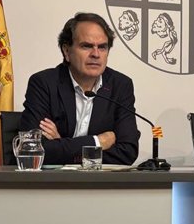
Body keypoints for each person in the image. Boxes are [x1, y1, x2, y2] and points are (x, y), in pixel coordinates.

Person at [20, 12, 140, 165]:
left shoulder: (120, 86)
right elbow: (35, 149)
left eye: (102, 47)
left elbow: (127, 153)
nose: (96, 54)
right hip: (51, 185)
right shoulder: (44, 84)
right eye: (86, 46)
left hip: (101, 186)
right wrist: (98, 141)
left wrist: (62, 144)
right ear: (67, 51)